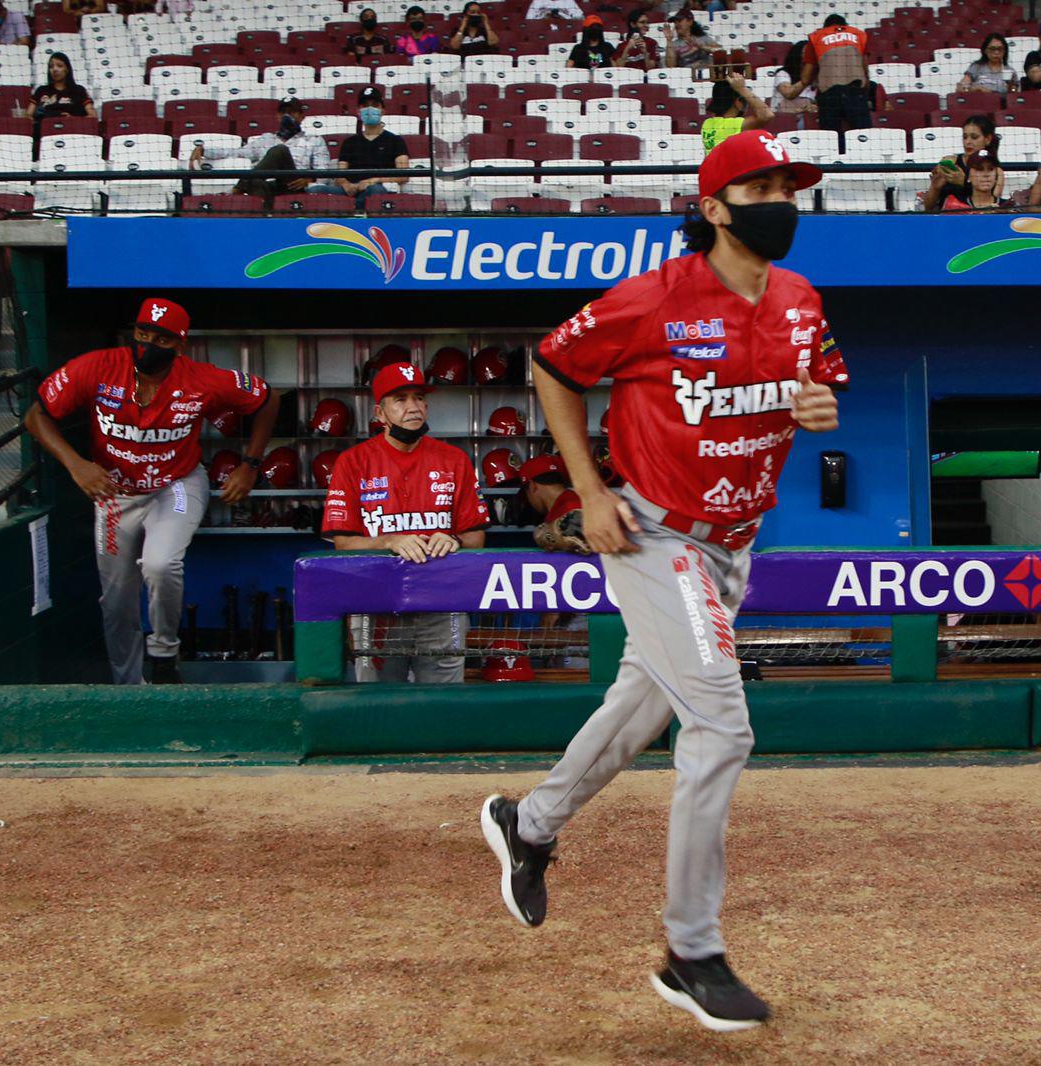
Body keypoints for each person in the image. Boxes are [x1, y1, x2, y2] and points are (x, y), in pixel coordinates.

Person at [479, 129, 849, 1033]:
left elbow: (822, 382)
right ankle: (693, 951)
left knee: (641, 705)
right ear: (715, 209)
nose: (781, 202)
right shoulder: (655, 298)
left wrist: (819, 403)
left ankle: (529, 824)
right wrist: (589, 490)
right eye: (760, 188)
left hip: (734, 546)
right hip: (657, 536)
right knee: (720, 724)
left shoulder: (800, 299)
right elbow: (553, 366)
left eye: (788, 187)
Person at [26, 299, 279, 685]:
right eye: (142, 334)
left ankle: (163, 653)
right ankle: (128, 687)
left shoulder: (200, 378)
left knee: (160, 564)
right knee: (116, 599)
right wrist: (76, 465)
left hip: (175, 485)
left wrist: (251, 464)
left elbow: (268, 398)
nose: (148, 344)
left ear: (180, 344)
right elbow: (36, 415)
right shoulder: (98, 366)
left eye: (161, 339)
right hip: (114, 492)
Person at [320, 361, 489, 684]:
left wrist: (454, 539)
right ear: (380, 413)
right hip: (376, 604)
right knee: (379, 701)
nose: (413, 407)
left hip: (442, 601)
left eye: (419, 398)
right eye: (400, 399)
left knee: (445, 699)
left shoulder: (454, 459)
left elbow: (475, 536)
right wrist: (389, 541)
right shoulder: (353, 462)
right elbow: (343, 543)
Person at [189, 98, 336, 198]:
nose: (287, 116)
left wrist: (308, 180)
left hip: (294, 188)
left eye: (292, 112)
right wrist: (204, 150)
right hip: (266, 187)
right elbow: (237, 152)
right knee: (255, 179)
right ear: (277, 116)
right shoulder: (266, 139)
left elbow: (324, 173)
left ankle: (236, 190)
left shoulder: (314, 140)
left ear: (302, 116)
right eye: (283, 112)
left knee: (280, 150)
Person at [335, 87, 411, 211]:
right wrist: (345, 184)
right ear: (358, 111)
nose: (370, 109)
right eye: (365, 105)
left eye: (375, 105)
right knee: (317, 190)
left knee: (376, 191)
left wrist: (373, 181)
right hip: (351, 190)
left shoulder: (396, 141)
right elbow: (340, 175)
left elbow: (404, 176)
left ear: (383, 110)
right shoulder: (349, 142)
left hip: (377, 189)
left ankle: (354, 211)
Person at [801, 13, 870, 133]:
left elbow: (805, 78)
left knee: (831, 137)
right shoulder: (859, 34)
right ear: (845, 25)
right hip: (856, 93)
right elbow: (865, 70)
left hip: (829, 96)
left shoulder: (816, 36)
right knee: (863, 136)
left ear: (825, 27)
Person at [925, 113, 1002, 212]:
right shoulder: (950, 162)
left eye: (974, 137)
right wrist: (935, 188)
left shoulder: (997, 171)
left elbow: (990, 206)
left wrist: (963, 182)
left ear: (987, 139)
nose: (968, 142)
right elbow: (928, 208)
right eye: (965, 137)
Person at [700, 72, 771, 151]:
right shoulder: (734, 125)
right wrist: (742, 89)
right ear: (738, 103)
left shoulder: (707, 124)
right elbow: (767, 115)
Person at [27, 52, 96, 122]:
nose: (55, 69)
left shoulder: (79, 90)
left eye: (59, 66)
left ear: (67, 69)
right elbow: (28, 115)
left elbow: (93, 116)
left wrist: (73, 120)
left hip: (72, 127)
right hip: (46, 127)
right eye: (51, 66)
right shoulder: (41, 90)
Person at [940, 148, 1009, 210]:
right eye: (979, 169)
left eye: (990, 169)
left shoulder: (1007, 207)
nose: (986, 174)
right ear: (968, 176)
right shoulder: (955, 206)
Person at [770, 41, 816, 118]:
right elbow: (788, 93)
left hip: (808, 119)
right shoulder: (783, 74)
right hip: (783, 119)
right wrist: (806, 80)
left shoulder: (818, 78)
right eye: (806, 54)